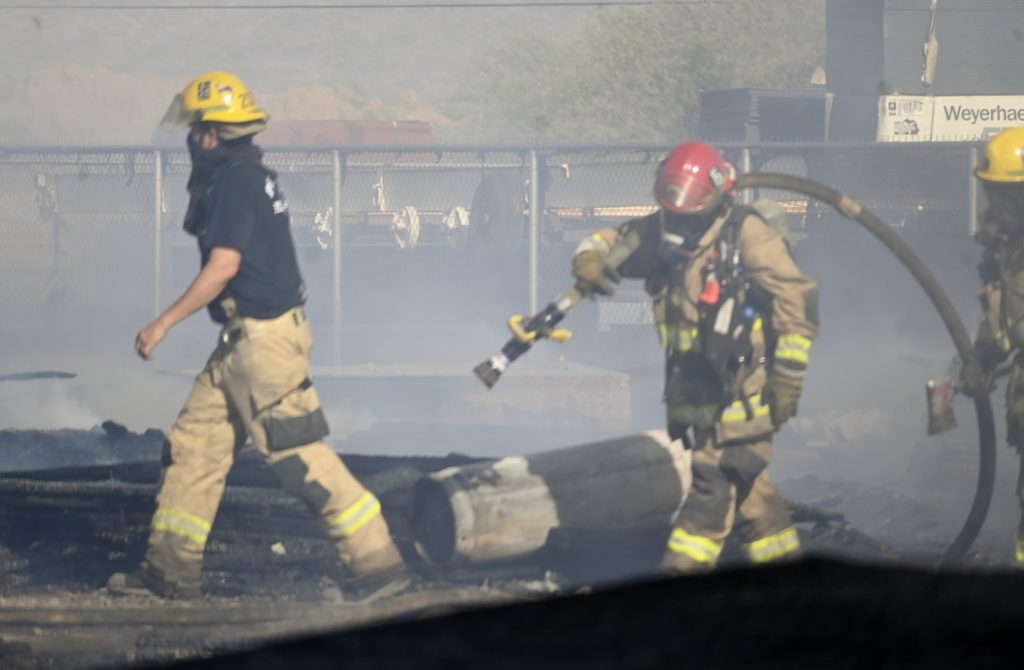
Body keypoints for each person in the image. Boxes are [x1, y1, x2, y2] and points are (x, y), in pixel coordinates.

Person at [106, 70, 408, 599]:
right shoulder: (246, 175)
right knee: (195, 446)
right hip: (242, 341)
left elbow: (223, 266)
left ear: (210, 134)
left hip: (265, 345)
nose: (190, 140)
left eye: (195, 130)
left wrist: (162, 323)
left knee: (297, 455)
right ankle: (169, 570)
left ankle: (377, 564)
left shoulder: (237, 181)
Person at [567, 141, 819, 572]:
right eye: (673, 211)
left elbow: (796, 298)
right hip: (695, 391)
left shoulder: (746, 234)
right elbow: (612, 240)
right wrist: (588, 257)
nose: (680, 222)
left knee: (713, 484)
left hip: (744, 391)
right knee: (753, 495)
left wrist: (789, 377)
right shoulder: (667, 230)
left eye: (689, 213)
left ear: (715, 200)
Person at [960, 126, 1024, 568]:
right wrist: (980, 359)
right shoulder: (1010, 248)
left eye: (1002, 195)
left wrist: (982, 360)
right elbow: (1007, 320)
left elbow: (1013, 321)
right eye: (991, 193)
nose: (993, 205)